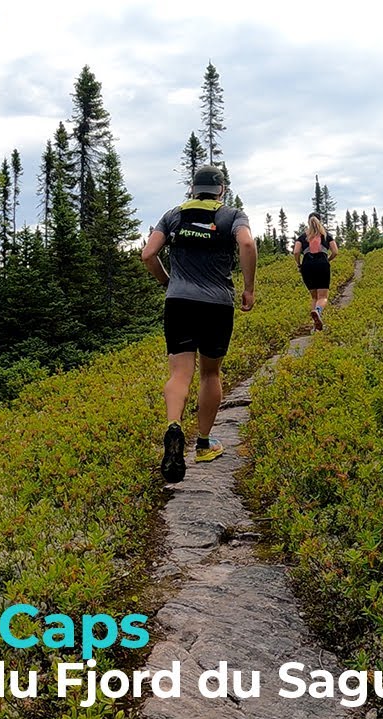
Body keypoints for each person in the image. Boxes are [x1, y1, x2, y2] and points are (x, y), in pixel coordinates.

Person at [140, 164, 257, 483]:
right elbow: (247, 244)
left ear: (193, 189)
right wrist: (248, 288)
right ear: (221, 190)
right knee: (210, 373)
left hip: (179, 303)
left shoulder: (173, 215)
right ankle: (203, 444)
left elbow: (148, 254)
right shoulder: (232, 216)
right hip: (217, 303)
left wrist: (168, 282)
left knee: (179, 374)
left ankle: (173, 427)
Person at [293, 212, 338, 331]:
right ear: (320, 221)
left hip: (307, 266)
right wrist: (327, 260)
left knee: (314, 297)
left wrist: (299, 264)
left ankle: (315, 325)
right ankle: (318, 311)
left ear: (309, 222)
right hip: (322, 265)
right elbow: (335, 251)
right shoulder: (326, 235)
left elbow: (296, 252)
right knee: (323, 297)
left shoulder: (302, 237)